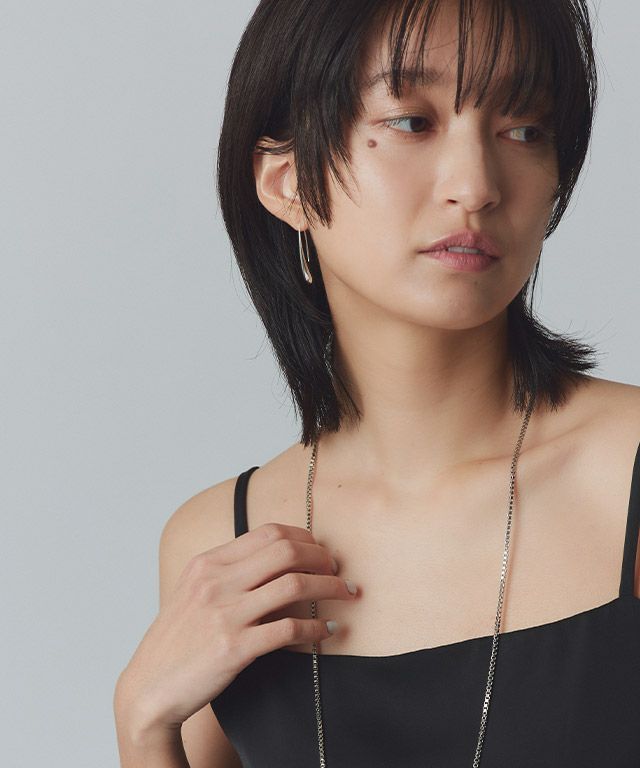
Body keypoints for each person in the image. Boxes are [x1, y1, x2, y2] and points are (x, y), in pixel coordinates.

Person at [114, 0, 640, 765]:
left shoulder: (625, 472)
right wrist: (142, 722)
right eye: (411, 122)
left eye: (525, 129)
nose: (476, 184)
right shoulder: (222, 539)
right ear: (289, 182)